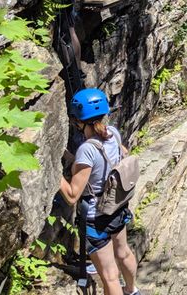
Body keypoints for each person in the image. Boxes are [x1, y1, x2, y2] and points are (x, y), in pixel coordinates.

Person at [59, 88, 140, 295]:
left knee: (110, 276)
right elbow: (122, 152)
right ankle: (132, 290)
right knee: (123, 252)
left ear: (78, 121)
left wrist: (52, 169)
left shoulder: (87, 149)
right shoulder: (113, 133)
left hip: (97, 217)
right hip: (117, 206)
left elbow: (71, 195)